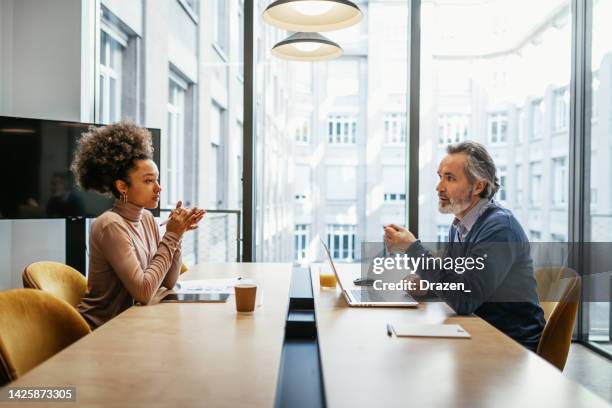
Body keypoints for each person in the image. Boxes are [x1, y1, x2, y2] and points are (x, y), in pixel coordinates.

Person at [384, 141, 545, 351]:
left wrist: (413, 249)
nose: (439, 187)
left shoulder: (500, 229)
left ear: (478, 186)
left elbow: (464, 299)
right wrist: (426, 287)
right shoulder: (461, 225)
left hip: (511, 345)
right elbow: (456, 283)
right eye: (440, 177)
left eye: (449, 178)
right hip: (478, 330)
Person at [71, 122, 205, 329]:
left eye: (157, 180)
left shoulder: (147, 219)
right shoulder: (110, 225)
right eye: (149, 181)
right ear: (122, 186)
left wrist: (177, 235)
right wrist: (170, 236)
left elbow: (168, 282)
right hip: (103, 330)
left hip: (135, 323)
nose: (158, 188)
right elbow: (143, 292)